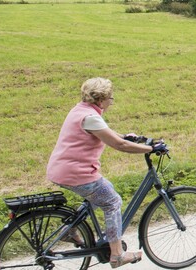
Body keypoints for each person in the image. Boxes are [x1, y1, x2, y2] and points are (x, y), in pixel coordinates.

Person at [46, 77, 164, 268]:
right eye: (111, 98)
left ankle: (70, 230)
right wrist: (151, 149)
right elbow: (120, 145)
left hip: (62, 170)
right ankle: (117, 255)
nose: (111, 101)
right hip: (77, 174)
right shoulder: (91, 117)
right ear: (101, 99)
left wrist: (125, 135)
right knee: (112, 201)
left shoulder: (80, 110)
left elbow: (106, 132)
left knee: (102, 190)